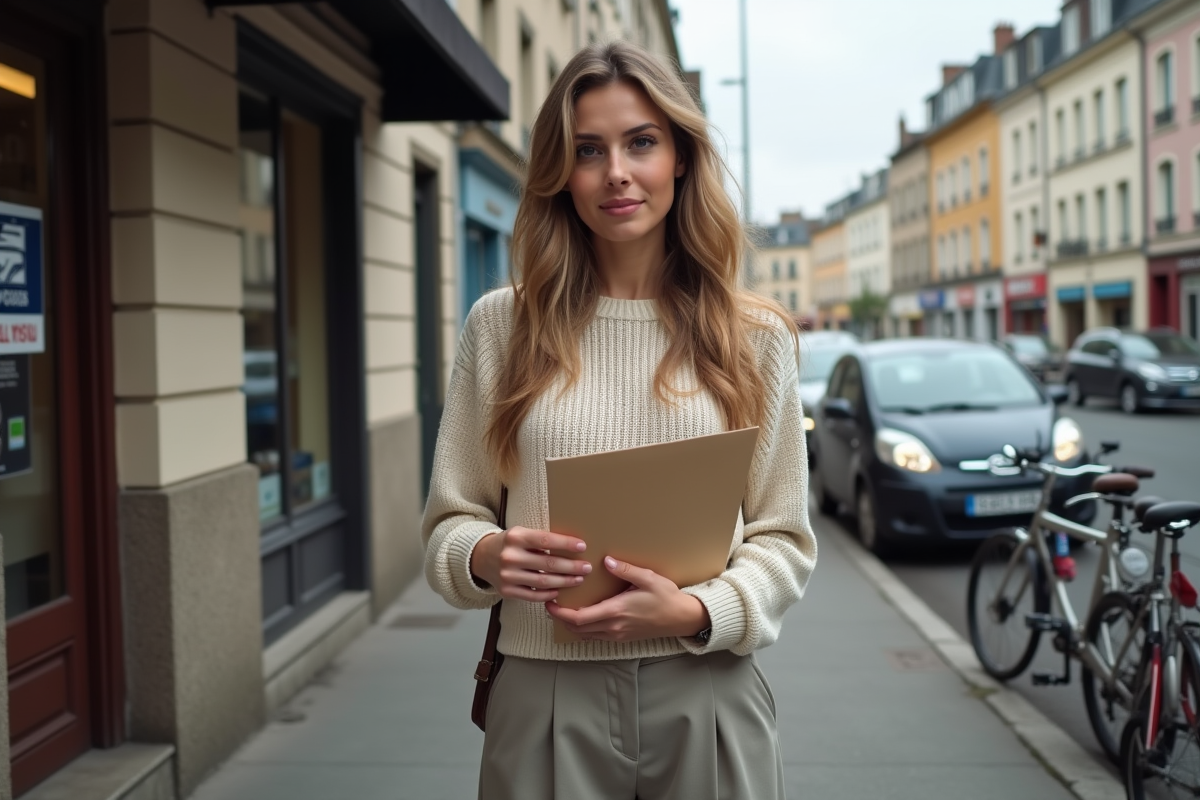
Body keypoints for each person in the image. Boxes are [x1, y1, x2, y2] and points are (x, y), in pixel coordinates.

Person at [421, 39, 817, 800]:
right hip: (542, 692)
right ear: (559, 174)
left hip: (706, 688)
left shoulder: (754, 337)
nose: (617, 174)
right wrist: (487, 556)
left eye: (641, 142)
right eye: (588, 150)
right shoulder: (501, 326)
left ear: (680, 157)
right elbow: (449, 522)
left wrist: (701, 608)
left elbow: (783, 538)